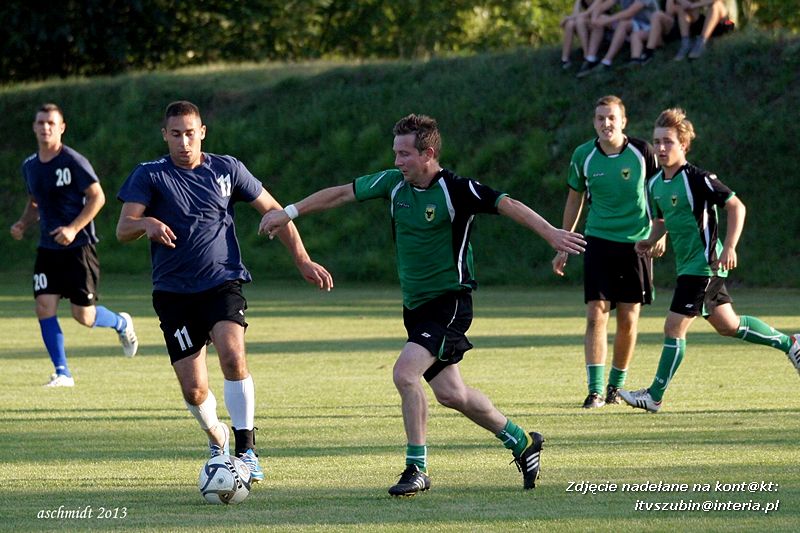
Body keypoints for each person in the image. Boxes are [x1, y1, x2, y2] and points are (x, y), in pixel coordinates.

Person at [259, 114, 586, 496]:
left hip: (449, 302)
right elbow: (341, 193)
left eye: (404, 154)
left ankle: (417, 469)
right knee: (452, 394)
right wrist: (289, 212)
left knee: (404, 374)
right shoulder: (392, 184)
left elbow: (506, 203)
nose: (397, 162)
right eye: (395, 153)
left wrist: (550, 233)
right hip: (415, 307)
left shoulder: (455, 190)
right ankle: (522, 442)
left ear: (428, 153)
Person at [116, 100, 333, 482]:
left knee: (233, 356)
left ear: (202, 132)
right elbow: (123, 228)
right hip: (173, 293)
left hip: (222, 282)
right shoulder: (148, 175)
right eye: (175, 134)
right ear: (164, 135)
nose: (184, 142)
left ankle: (246, 448)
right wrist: (146, 222)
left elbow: (274, 211)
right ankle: (216, 433)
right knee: (195, 390)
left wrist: (302, 260)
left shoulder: (227, 169)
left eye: (190, 133)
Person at [619, 108, 800, 412]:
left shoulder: (698, 179)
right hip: (689, 266)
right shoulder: (655, 184)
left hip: (703, 265)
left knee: (673, 327)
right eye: (657, 142)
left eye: (668, 142)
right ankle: (790, 344)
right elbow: (664, 219)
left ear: (683, 145)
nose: (661, 148)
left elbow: (736, 207)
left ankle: (654, 396)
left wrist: (729, 247)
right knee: (728, 325)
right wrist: (651, 240)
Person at [10, 103, 138, 388]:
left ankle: (121, 324)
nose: (45, 127)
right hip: (47, 249)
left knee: (84, 316)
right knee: (44, 307)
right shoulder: (30, 165)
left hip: (79, 247)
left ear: (61, 127)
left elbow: (98, 197)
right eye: (41, 122)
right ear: (34, 127)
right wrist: (22, 223)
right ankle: (62, 372)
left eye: (51, 123)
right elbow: (34, 202)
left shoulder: (73, 161)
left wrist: (72, 228)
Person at [552, 95, 663, 409]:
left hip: (637, 243)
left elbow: (660, 191)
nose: (606, 124)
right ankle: (596, 390)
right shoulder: (583, 155)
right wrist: (564, 242)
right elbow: (575, 199)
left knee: (628, 319)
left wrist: (659, 230)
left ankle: (616, 387)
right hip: (598, 240)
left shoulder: (643, 153)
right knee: (595, 314)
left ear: (623, 121)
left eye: (612, 118)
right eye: (600, 118)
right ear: (594, 122)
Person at [576, 0, 662, 77]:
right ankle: (592, 59)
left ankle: (607, 61)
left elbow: (630, 12)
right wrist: (595, 18)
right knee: (602, 19)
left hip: (651, 27)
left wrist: (607, 20)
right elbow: (603, 6)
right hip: (635, 23)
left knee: (618, 23)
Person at [559, 0, 601, 70]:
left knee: (579, 20)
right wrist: (568, 19)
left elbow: (588, 13)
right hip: (587, 22)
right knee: (570, 23)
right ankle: (565, 59)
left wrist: (567, 18)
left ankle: (586, 55)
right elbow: (575, 14)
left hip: (599, 22)